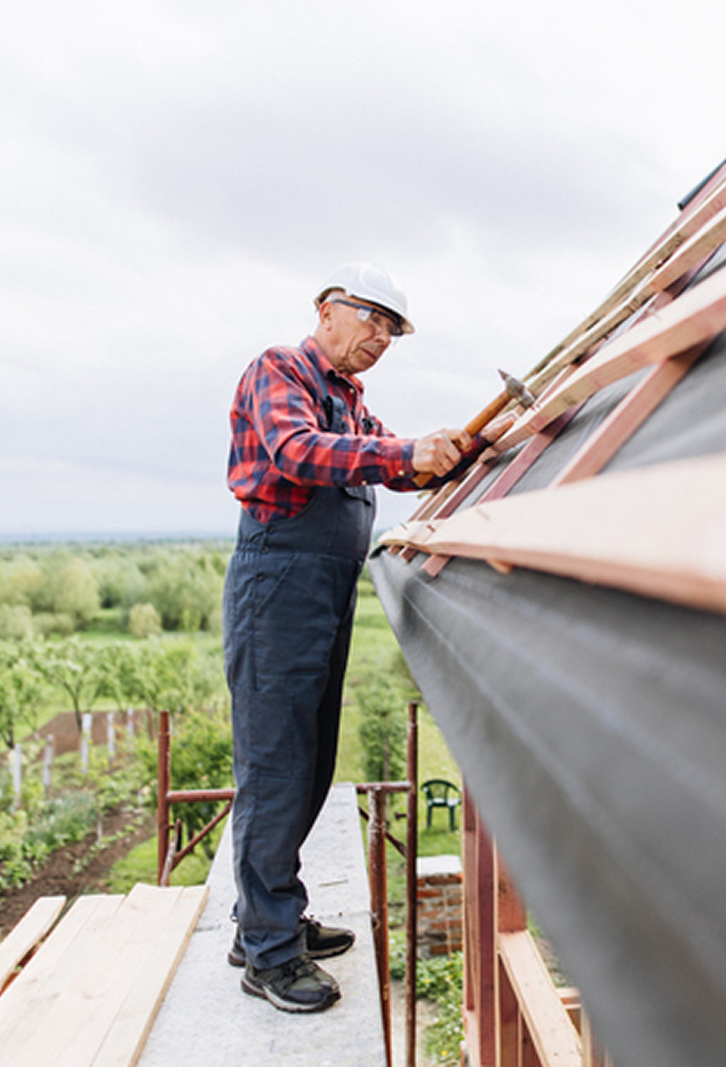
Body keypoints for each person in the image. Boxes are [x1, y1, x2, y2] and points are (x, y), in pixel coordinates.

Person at [222, 262, 509, 1012]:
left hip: (322, 589)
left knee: (308, 759)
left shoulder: (351, 401)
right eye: (369, 318)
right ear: (326, 311)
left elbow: (399, 465)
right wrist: (402, 452)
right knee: (276, 764)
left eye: (391, 329)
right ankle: (269, 957)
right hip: (277, 582)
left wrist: (455, 449)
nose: (379, 337)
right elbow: (296, 451)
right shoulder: (280, 370)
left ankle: (262, 919)